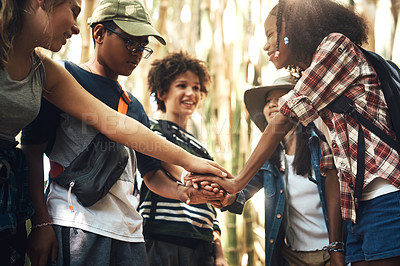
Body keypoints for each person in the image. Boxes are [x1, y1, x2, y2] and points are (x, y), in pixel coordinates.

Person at [0, 0, 228, 265]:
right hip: (76, 224)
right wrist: (41, 222)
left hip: (128, 230)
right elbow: (32, 149)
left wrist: (185, 188)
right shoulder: (64, 74)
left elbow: (146, 165)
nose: (136, 52)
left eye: (142, 48)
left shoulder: (131, 105)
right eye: (131, 43)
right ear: (98, 34)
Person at [191, 0, 400, 265]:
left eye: (270, 35)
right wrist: (337, 244)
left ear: (292, 29)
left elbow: (284, 117)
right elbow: (332, 166)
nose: (266, 45)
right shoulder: (320, 90)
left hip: (387, 194)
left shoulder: (336, 47)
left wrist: (236, 181)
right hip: (357, 212)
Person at [221, 75, 333, 266]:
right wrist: (224, 196)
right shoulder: (269, 158)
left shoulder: (321, 145)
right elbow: (241, 192)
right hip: (292, 256)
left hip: (331, 254)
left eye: (280, 98)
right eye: (268, 101)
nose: (272, 105)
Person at [139, 51, 228, 266]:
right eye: (182, 85)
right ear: (162, 92)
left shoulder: (202, 150)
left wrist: (219, 252)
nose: (191, 93)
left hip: (202, 245)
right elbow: (160, 163)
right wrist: (190, 177)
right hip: (162, 239)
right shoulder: (151, 130)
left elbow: (211, 209)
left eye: (196, 88)